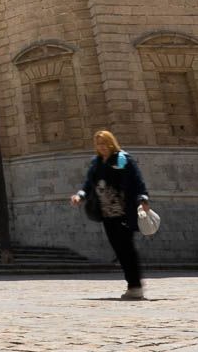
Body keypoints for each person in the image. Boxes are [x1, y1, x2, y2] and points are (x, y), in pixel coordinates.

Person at [70, 128, 151, 301]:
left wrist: (143, 197)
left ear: (111, 143)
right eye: (99, 144)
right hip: (107, 213)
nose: (102, 147)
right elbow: (88, 184)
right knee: (119, 250)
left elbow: (136, 179)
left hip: (123, 211)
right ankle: (132, 285)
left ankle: (135, 286)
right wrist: (80, 196)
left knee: (126, 248)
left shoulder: (121, 158)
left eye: (105, 144)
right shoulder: (97, 162)